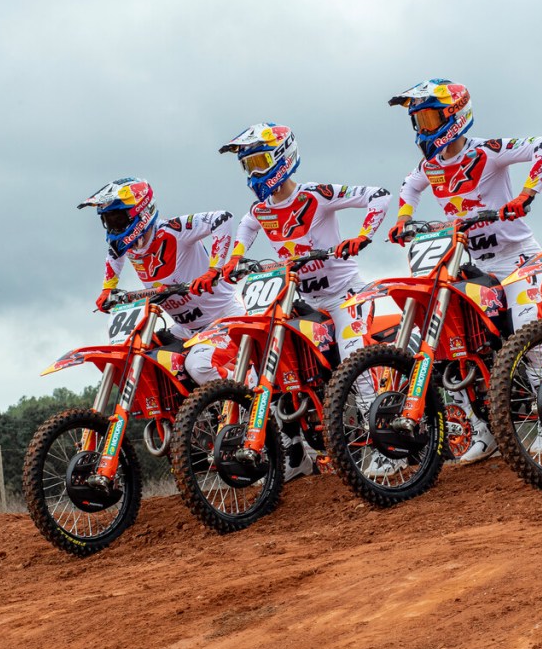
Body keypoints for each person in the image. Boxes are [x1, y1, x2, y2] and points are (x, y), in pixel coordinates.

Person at [388, 79, 542, 463]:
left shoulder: (487, 151)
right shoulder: (430, 166)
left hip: (517, 258)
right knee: (453, 344)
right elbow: (409, 187)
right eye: (418, 120)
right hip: (475, 265)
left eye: (430, 118)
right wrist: (404, 219)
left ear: (455, 115)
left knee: (527, 332)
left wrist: (527, 194)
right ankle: (483, 428)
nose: (423, 128)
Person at [218, 123, 391, 478]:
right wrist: (234, 259)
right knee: (276, 366)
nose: (254, 173)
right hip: (306, 301)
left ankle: (386, 448)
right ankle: (295, 453)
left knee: (353, 363)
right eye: (248, 165)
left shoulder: (316, 194)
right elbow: (245, 229)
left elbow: (379, 195)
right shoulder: (260, 210)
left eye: (260, 162)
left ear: (283, 157)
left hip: (345, 295)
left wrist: (362, 236)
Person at [80, 177, 242, 386]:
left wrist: (214, 269)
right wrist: (108, 289)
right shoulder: (127, 246)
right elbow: (113, 256)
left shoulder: (174, 229)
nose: (113, 227)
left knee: (198, 366)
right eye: (108, 220)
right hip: (185, 329)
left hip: (225, 319)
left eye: (117, 219)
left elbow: (222, 218)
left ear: (141, 211)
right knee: (145, 358)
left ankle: (250, 388)